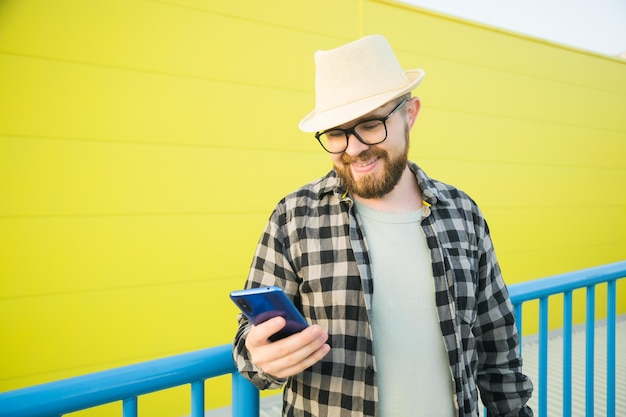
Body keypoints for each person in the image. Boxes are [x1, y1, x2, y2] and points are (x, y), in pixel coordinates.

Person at [233, 34, 533, 417]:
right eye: (337, 133)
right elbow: (248, 341)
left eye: (371, 124)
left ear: (410, 114)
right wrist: (262, 358)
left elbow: (498, 345)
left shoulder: (463, 213)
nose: (354, 148)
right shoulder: (294, 217)